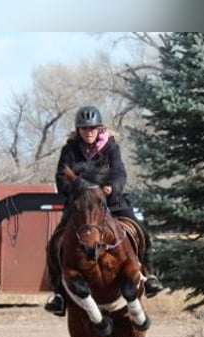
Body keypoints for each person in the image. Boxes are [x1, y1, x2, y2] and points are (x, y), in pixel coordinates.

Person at [44, 105, 163, 316]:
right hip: (81, 206)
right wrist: (79, 189)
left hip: (112, 202)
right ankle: (59, 293)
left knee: (141, 230)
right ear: (78, 130)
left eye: (92, 128)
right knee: (55, 242)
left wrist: (112, 188)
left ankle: (150, 275)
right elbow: (61, 178)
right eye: (84, 129)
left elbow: (120, 174)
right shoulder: (69, 150)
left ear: (100, 129)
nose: (88, 132)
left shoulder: (111, 147)